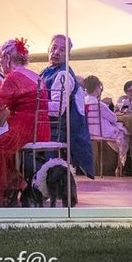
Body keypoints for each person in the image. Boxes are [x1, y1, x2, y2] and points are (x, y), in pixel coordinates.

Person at [0, 38, 50, 207]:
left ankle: (3, 194)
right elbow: (18, 100)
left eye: (0, 61)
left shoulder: (13, 77)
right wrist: (1, 89)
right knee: (4, 149)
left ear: (6, 58)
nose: (0, 65)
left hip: (23, 127)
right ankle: (21, 186)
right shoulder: (35, 76)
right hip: (41, 127)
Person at [40, 34, 94, 178]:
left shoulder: (63, 75)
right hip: (44, 126)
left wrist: (33, 106)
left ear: (68, 55)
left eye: (62, 50)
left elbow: (57, 110)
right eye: (54, 48)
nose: (56, 52)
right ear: (48, 49)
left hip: (56, 130)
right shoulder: (46, 71)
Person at [83, 75, 130, 176]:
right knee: (123, 132)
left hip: (88, 131)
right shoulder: (100, 105)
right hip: (102, 132)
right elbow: (113, 118)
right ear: (97, 88)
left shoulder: (83, 102)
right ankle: (120, 166)